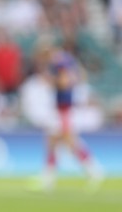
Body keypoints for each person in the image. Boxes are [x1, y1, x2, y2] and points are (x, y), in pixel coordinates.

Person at [20, 38, 103, 192]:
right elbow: (77, 76)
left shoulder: (59, 63)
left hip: (64, 108)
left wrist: (50, 81)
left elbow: (65, 82)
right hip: (62, 108)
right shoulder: (63, 60)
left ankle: (92, 170)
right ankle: (50, 177)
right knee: (55, 141)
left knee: (68, 141)